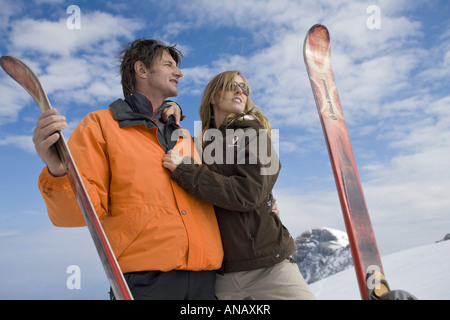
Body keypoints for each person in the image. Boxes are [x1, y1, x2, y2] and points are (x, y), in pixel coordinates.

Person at [33, 39, 224, 300]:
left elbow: (211, 194)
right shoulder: (100, 126)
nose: (179, 73)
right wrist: (58, 173)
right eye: (168, 65)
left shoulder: (184, 138)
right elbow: (78, 213)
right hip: (147, 283)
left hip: (208, 280)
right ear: (141, 70)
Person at [163, 70, 315, 300]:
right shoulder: (201, 145)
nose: (240, 90)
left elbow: (248, 193)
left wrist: (186, 171)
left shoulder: (256, 135)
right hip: (219, 274)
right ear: (213, 97)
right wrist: (169, 106)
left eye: (244, 87)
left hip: (268, 266)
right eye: (231, 85)